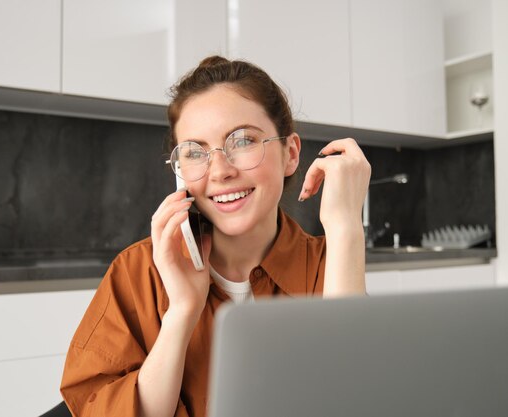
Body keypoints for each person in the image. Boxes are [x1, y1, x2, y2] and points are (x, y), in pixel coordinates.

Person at [60, 56, 371, 417]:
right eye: (195, 152)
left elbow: (358, 398)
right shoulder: (137, 271)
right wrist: (182, 311)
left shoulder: (329, 265)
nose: (220, 170)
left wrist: (346, 225)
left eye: (242, 141)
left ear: (291, 154)